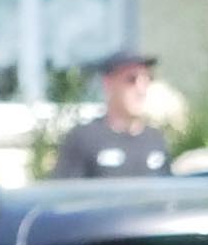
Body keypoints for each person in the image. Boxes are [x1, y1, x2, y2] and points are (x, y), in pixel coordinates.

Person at [49, 51, 181, 179]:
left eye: (147, 79)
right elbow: (65, 195)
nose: (141, 89)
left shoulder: (155, 139)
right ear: (109, 84)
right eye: (132, 80)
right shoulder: (85, 139)